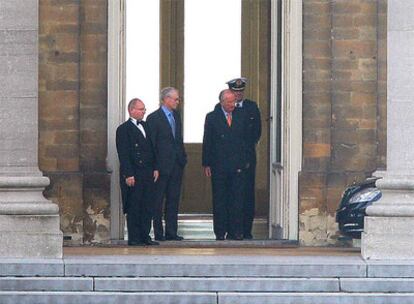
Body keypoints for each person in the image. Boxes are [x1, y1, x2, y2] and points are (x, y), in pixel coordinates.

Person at [202, 89, 249, 240]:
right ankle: (220, 232)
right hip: (219, 165)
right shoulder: (212, 117)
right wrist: (206, 163)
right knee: (220, 199)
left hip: (237, 165)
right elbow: (207, 141)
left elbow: (246, 141)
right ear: (221, 102)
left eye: (233, 101)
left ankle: (236, 231)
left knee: (237, 199)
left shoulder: (241, 115)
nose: (232, 105)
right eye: (228, 102)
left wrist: (246, 160)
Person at [116, 98, 159, 246]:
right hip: (134, 173)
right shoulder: (123, 129)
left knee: (147, 205)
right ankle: (134, 237)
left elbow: (152, 149)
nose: (143, 112)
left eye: (144, 109)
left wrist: (155, 168)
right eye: (141, 109)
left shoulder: (146, 126)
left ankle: (145, 235)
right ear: (131, 110)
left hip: (147, 172)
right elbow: (124, 153)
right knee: (134, 206)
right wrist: (128, 174)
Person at [147, 87, 187, 241]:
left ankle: (172, 232)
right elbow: (152, 144)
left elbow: (178, 139)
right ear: (166, 99)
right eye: (175, 99)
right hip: (161, 167)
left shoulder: (176, 116)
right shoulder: (153, 118)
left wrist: (182, 158)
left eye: (178, 99)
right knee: (158, 200)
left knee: (173, 199)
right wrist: (155, 166)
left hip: (176, 165)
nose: (178, 102)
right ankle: (158, 232)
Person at [226, 77, 261, 239]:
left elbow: (256, 132)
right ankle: (231, 229)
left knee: (247, 195)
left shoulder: (251, 107)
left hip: (246, 158)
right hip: (228, 159)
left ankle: (246, 230)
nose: (238, 95)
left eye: (240, 92)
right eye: (235, 92)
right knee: (230, 195)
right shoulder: (223, 108)